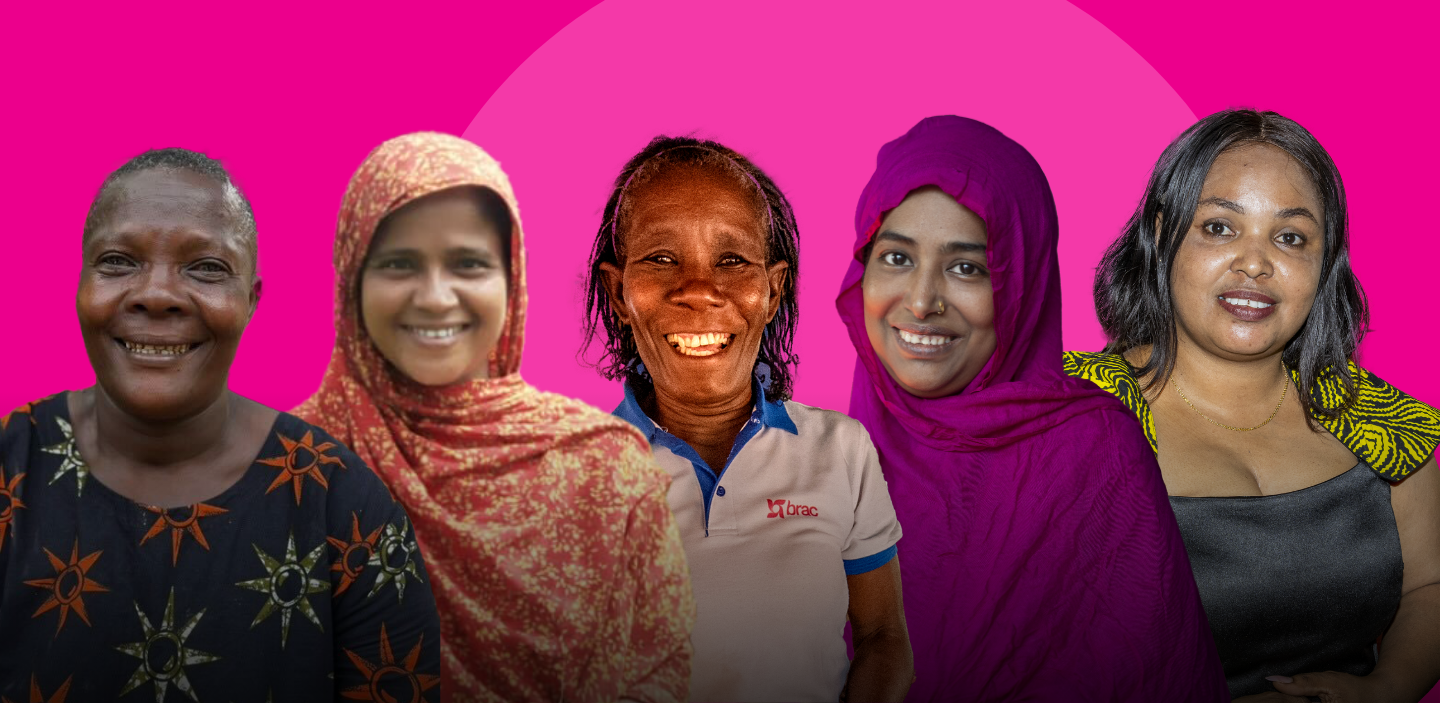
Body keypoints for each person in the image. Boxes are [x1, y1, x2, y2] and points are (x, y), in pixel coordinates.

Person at [0, 148, 441, 701]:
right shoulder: (9, 474)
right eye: (118, 260)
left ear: (251, 300)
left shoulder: (349, 516)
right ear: (80, 284)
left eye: (206, 267)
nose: (156, 294)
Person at [294, 132, 694, 703]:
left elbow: (659, 674)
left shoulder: (604, 466)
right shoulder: (287, 466)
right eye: (399, 264)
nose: (435, 297)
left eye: (469, 264)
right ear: (350, 279)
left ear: (513, 281)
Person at [839, 116, 1228, 701]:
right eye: (896, 259)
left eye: (967, 267)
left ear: (1021, 282)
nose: (921, 301)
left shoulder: (1092, 455)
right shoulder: (815, 455)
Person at [1068, 109, 1440, 702]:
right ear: (1163, 233)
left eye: (1290, 237)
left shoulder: (1381, 421)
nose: (1256, 262)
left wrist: (1388, 688)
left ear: (1324, 263)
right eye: (1220, 227)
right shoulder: (1070, 414)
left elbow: (1429, 586)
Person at [582, 136, 913, 702]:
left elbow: (882, 638)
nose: (699, 291)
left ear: (773, 289)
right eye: (661, 259)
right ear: (618, 292)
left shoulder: (841, 450)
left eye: (732, 261)